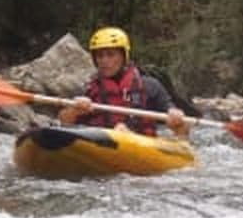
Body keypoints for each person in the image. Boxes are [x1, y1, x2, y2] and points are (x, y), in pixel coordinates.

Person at [58, 27, 190, 139]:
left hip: (141, 145)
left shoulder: (150, 86)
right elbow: (64, 122)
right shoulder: (88, 88)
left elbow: (182, 130)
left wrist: (176, 118)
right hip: (100, 141)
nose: (104, 61)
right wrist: (74, 110)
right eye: (100, 56)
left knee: (122, 128)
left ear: (123, 56)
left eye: (110, 55)